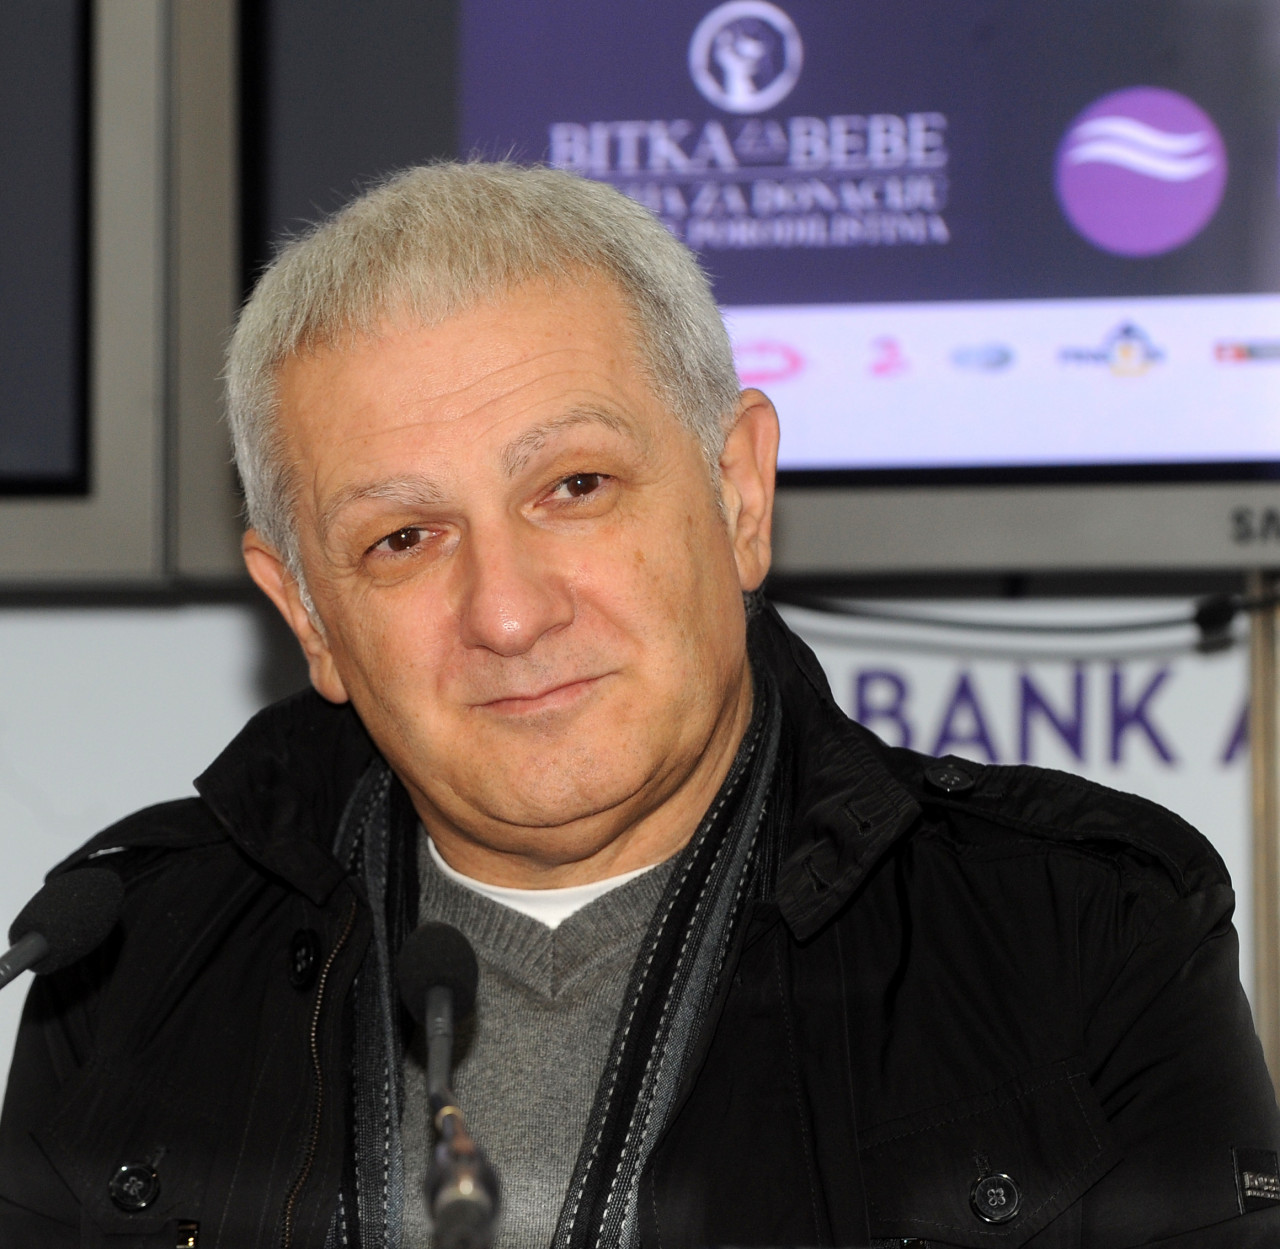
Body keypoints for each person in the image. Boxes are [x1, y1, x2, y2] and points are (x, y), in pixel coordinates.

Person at [1, 161, 1278, 1249]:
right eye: (402, 538)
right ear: (307, 615)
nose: (508, 612)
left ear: (737, 493)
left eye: (574, 487)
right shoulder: (130, 962)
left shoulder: (1082, 937)